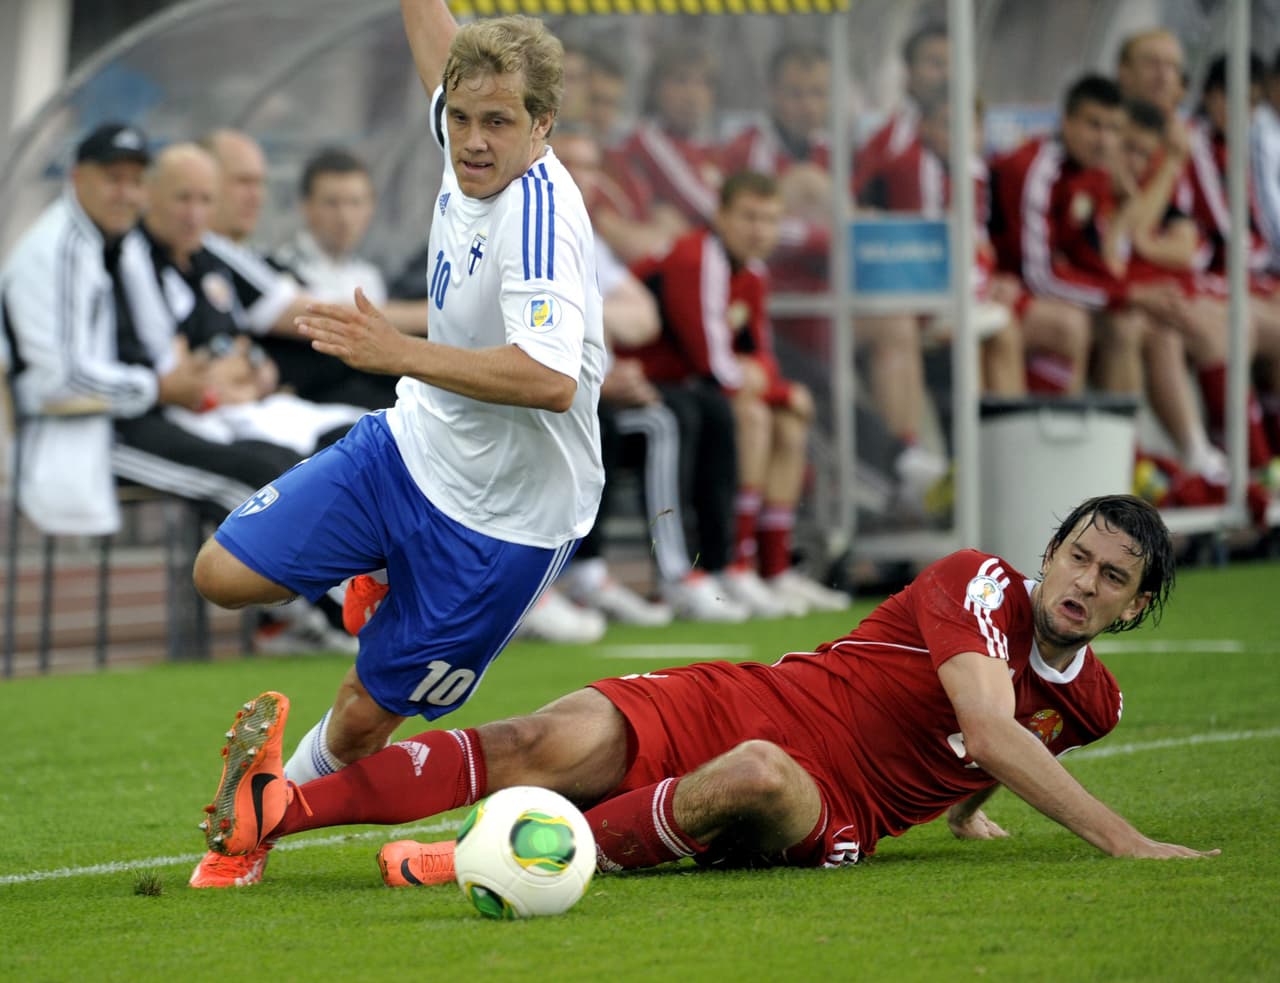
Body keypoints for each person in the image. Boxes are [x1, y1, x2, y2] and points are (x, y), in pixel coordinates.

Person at [197, 493, 1217, 891]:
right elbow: (993, 729)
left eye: (1109, 578)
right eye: (1075, 557)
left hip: (835, 796)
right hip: (751, 691)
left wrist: (965, 816)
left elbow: (1010, 739)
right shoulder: (975, 583)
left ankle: (475, 854)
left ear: (1130, 607)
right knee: (546, 733)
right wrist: (1119, 839)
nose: (1082, 583)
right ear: (1046, 553)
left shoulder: (1096, 703)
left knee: (754, 779)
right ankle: (277, 808)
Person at [185, 2, 605, 888]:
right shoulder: (466, 124)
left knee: (364, 720)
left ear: (543, 127)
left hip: (506, 521)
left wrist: (394, 352)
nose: (473, 140)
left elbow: (549, 378)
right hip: (411, 447)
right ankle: (371, 574)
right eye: (459, 116)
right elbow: (434, 36)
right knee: (221, 575)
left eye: (498, 122)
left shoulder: (541, 222)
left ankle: (256, 826)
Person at [623, 172, 851, 617]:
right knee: (755, 414)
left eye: (770, 219)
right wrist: (777, 388)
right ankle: (735, 565)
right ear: (721, 217)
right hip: (644, 386)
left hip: (694, 390)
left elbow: (759, 354)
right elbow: (712, 360)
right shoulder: (697, 257)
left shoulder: (752, 272)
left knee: (787, 419)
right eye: (748, 217)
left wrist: (776, 387)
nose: (759, 230)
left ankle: (776, 568)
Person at [0, 122, 208, 536]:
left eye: (135, 182)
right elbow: (59, 380)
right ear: (77, 177)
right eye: (113, 179)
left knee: (269, 464)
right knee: (249, 478)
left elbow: (163, 336)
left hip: (124, 422)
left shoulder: (120, 242)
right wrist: (159, 387)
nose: (127, 194)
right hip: (67, 440)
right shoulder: (55, 250)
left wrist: (189, 376)